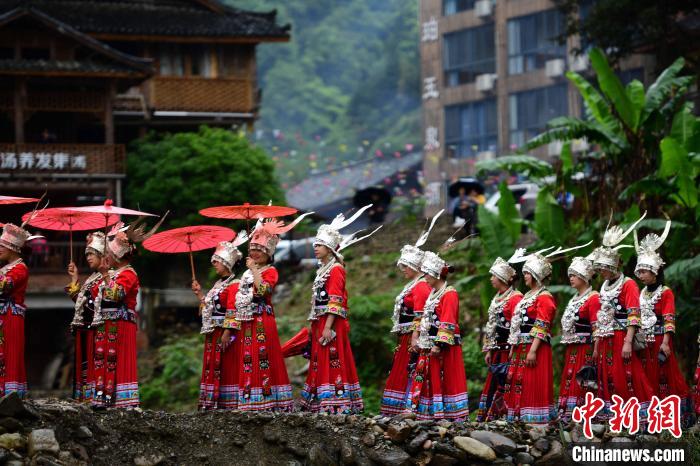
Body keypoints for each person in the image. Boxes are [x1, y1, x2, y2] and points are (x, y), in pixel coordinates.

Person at [224, 215, 310, 411]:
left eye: (259, 250)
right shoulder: (246, 273)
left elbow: (263, 292)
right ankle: (249, 399)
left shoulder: (270, 271)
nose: (254, 252)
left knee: (261, 357)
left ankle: (267, 401)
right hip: (246, 321)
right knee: (247, 358)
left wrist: (254, 270)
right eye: (252, 249)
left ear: (268, 253)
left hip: (262, 320)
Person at [301, 205, 380, 414]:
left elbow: (335, 300)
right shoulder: (322, 269)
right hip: (320, 321)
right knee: (320, 359)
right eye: (315, 244)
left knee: (332, 359)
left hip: (332, 322)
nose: (315, 248)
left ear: (330, 248)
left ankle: (336, 404)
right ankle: (321, 403)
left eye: (320, 245)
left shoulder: (336, 269)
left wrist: (328, 326)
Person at [92, 216, 164, 408]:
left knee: (117, 358)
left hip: (121, 324)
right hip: (107, 323)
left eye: (109, 254)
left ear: (117, 255)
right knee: (105, 358)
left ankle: (121, 400)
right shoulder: (115, 274)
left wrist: (106, 275)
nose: (106, 257)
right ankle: (103, 397)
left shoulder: (129, 274)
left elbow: (116, 295)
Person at [591, 213, 654, 420]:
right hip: (606, 337)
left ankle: (640, 413)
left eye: (603, 269)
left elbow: (634, 315)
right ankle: (614, 412)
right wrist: (597, 344)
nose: (601, 273)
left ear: (613, 266)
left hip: (621, 336)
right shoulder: (604, 285)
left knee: (626, 374)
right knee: (607, 375)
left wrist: (628, 342)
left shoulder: (628, 284)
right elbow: (601, 315)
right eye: (599, 269)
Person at [379, 210, 441, 415]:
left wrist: (415, 336)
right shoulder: (413, 284)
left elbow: (421, 314)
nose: (402, 269)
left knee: (412, 369)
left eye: (405, 266)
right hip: (405, 336)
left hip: (413, 337)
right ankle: (400, 407)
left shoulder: (421, 286)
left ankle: (410, 406)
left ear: (415, 266)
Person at [634, 220, 690, 418]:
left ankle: (672, 413)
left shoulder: (665, 292)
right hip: (644, 342)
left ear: (655, 272)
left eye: (644, 271)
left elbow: (669, 318)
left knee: (664, 374)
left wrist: (666, 342)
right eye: (639, 271)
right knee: (647, 375)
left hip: (659, 341)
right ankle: (651, 412)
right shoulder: (641, 292)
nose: (641, 275)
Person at [407, 249, 468, 421]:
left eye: (427, 273)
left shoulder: (449, 293)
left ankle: (446, 416)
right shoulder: (433, 294)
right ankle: (426, 414)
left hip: (441, 347)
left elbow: (448, 321)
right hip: (428, 345)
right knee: (426, 378)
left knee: (443, 379)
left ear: (435, 274)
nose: (424, 276)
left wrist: (438, 344)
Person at [503, 247, 559, 425]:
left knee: (532, 381)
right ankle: (519, 416)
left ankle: (536, 419)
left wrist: (533, 350)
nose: (524, 276)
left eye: (527, 273)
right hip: (521, 345)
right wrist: (513, 346)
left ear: (535, 275)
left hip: (535, 347)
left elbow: (542, 325)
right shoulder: (527, 295)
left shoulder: (544, 297)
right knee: (520, 381)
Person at [191, 233, 247, 410]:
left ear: (227, 263)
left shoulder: (235, 284)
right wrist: (200, 294)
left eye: (217, 260)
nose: (213, 263)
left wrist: (227, 332)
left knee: (226, 366)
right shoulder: (218, 284)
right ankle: (211, 403)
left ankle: (227, 404)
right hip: (213, 333)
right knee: (212, 366)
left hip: (224, 333)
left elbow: (233, 309)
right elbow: (207, 308)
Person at [476, 256, 522, 422]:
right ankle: (490, 416)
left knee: (506, 382)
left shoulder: (515, 298)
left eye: (493, 276)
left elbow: (517, 327)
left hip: (507, 351)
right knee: (494, 381)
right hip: (496, 350)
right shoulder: (497, 297)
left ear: (502, 278)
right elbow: (491, 324)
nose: (491, 279)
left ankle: (504, 416)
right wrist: (488, 348)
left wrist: (513, 349)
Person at [557, 255, 600, 423]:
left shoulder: (594, 298)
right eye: (570, 275)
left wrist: (596, 349)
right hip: (572, 347)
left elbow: (598, 327)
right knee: (570, 377)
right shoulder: (574, 298)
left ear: (584, 277)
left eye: (574, 275)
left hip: (586, 347)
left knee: (583, 379)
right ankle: (567, 413)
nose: (571, 278)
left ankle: (583, 414)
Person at [65, 232, 107, 402]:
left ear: (101, 255)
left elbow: (96, 302)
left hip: (95, 329)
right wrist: (74, 278)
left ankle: (93, 398)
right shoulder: (92, 278)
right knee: (84, 365)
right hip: (85, 329)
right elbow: (81, 302)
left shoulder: (105, 276)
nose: (88, 258)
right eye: (87, 254)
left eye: (91, 254)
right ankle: (84, 398)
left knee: (93, 365)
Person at [0, 222, 38, 398]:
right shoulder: (6, 268)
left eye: (2, 245)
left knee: (10, 352)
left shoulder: (20, 269)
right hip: (3, 315)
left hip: (11, 316)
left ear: (12, 247)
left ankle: (11, 394)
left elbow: (4, 286)